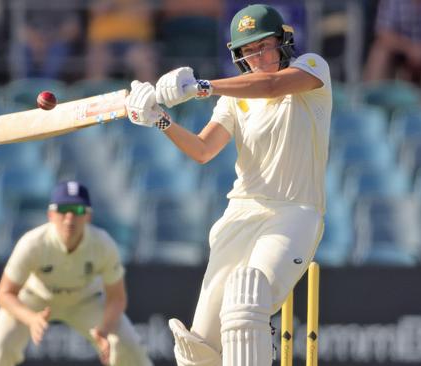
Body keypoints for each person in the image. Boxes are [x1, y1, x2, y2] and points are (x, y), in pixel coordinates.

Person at [124, 4, 331, 366]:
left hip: (293, 213)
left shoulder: (311, 70)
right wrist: (161, 120)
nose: (257, 57)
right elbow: (203, 150)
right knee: (199, 347)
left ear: (283, 42)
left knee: (247, 304)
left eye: (264, 45)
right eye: (248, 50)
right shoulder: (235, 100)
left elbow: (269, 86)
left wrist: (202, 87)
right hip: (240, 215)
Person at [0, 181, 152, 366]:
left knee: (128, 345)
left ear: (87, 216)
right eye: (63, 209)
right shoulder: (33, 243)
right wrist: (31, 318)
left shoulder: (103, 244)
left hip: (85, 300)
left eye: (77, 210)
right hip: (36, 299)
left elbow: (117, 298)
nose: (69, 218)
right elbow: (5, 294)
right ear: (51, 215)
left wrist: (103, 329)